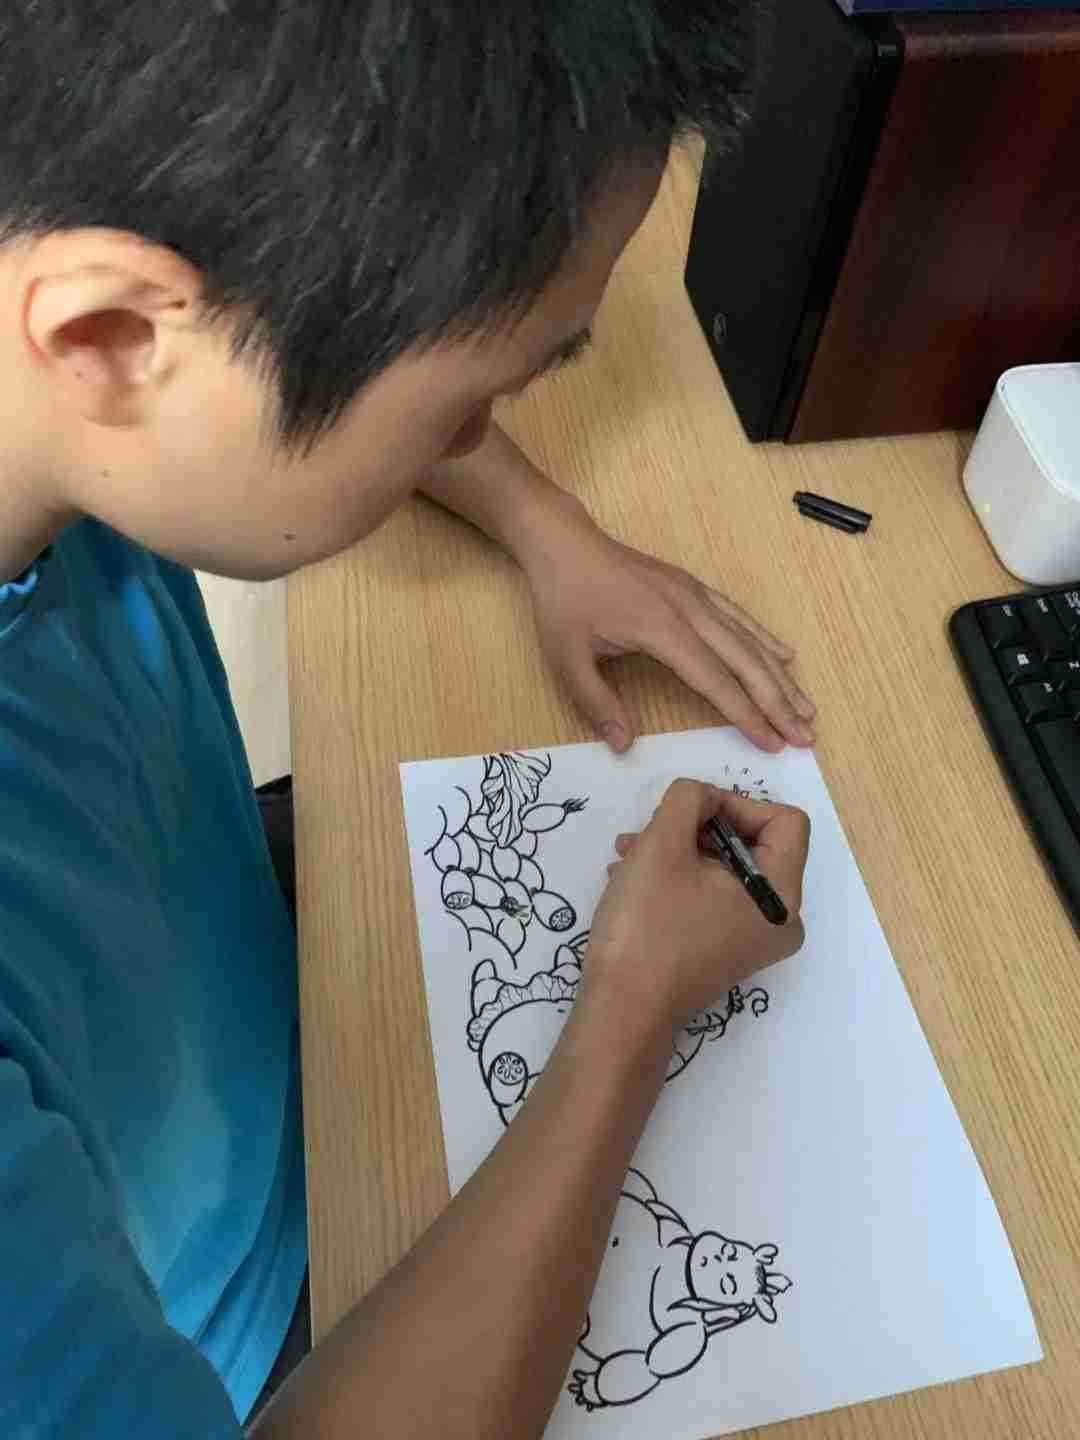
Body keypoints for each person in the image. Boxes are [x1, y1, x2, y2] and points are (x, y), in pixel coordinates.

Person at [0, 3, 812, 1437]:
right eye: (474, 398)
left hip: (231, 978)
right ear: (113, 335)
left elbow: (295, 315)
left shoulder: (54, 334)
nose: (475, 436)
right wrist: (629, 1013)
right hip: (241, 1331)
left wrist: (545, 525)